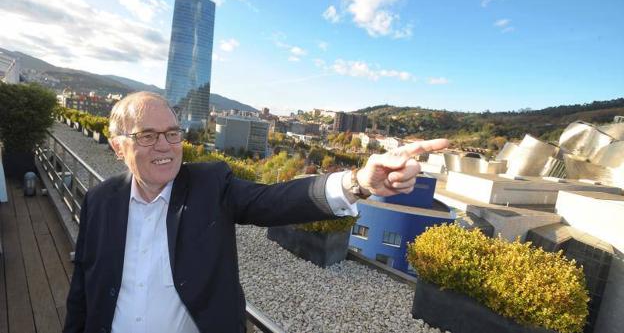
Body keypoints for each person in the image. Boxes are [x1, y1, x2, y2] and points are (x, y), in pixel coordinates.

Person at [63, 91, 448, 333]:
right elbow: (83, 286)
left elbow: (275, 200)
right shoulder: (100, 201)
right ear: (117, 147)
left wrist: (358, 182)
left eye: (173, 133)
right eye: (147, 136)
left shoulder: (210, 184)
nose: (165, 145)